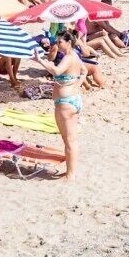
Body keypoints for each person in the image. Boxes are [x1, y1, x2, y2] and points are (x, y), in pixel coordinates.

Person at [44, 27, 86, 180]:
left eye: (60, 41)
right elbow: (84, 70)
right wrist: (77, 84)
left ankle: (71, 175)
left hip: (66, 103)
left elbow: (56, 71)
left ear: (68, 42)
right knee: (69, 139)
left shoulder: (68, 57)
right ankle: (70, 172)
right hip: (71, 99)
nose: (57, 44)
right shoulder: (74, 55)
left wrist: (40, 61)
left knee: (69, 140)